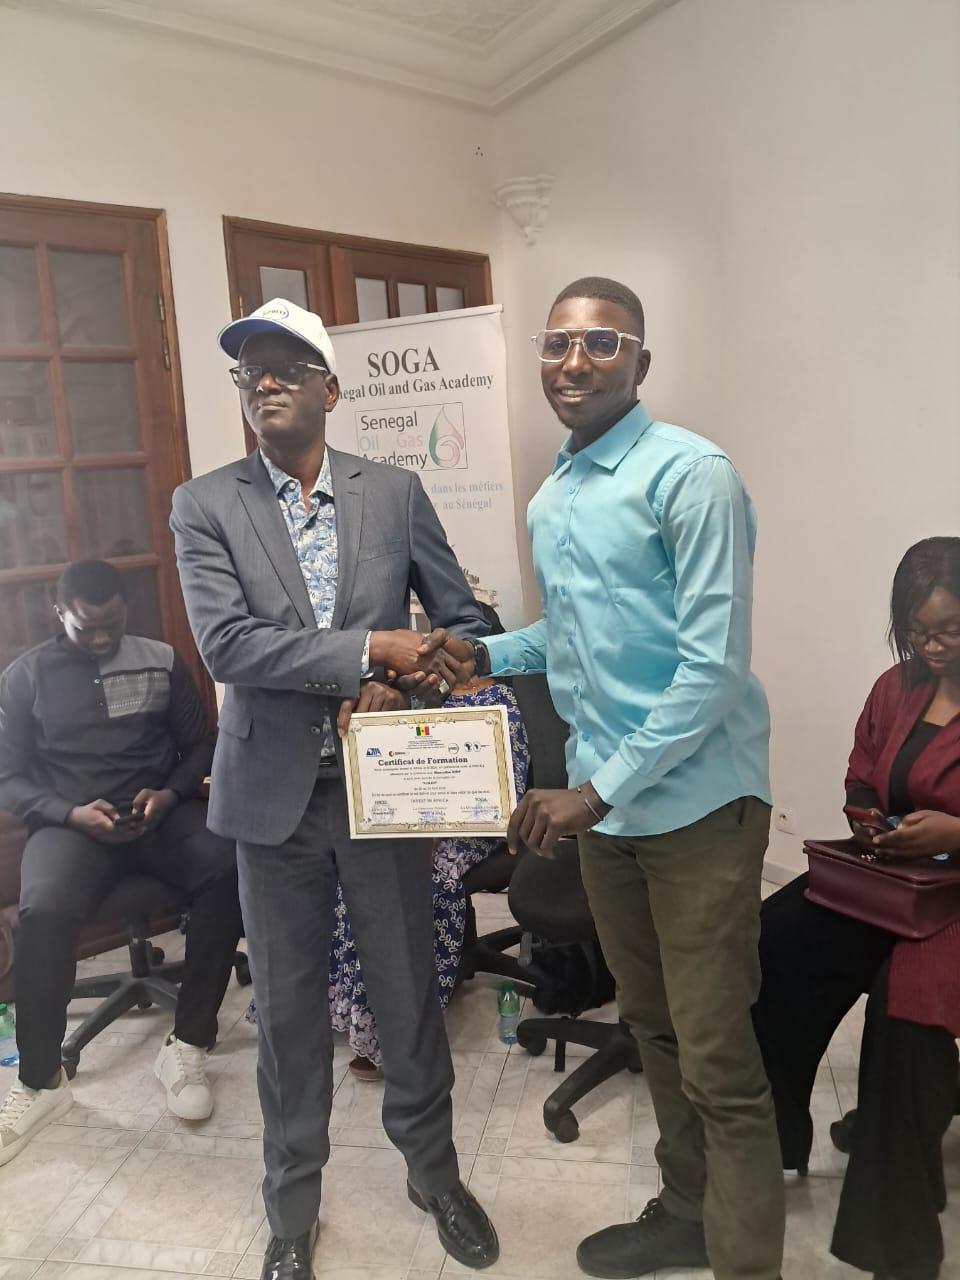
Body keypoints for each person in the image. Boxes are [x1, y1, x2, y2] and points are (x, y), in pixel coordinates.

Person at [429, 277, 784, 1279]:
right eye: (556, 343)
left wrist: (591, 792)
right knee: (652, 1024)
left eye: (601, 342)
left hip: (700, 806)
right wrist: (485, 653)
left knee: (716, 1053)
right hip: (613, 815)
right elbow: (571, 635)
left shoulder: (692, 476)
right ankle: (687, 1210)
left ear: (640, 362)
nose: (574, 361)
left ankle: (748, 1262)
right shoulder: (556, 495)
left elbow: (712, 668)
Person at [169, 299, 499, 1280]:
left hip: (381, 789)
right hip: (271, 799)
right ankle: (291, 1209)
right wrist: (366, 650)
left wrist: (408, 675)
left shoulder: (392, 492)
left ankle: (435, 1175)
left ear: (331, 388)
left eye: (285, 365)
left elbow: (466, 620)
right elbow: (229, 646)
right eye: (248, 371)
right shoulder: (205, 504)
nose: (264, 381)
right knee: (287, 1016)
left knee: (408, 994)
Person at [753, 537, 960, 1280]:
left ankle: (899, 1250)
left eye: (949, 630)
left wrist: (956, 834)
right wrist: (869, 815)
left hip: (953, 905)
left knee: (903, 1018)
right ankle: (776, 1135)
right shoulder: (896, 687)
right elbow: (862, 769)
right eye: (917, 631)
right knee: (772, 941)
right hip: (894, 881)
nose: (931, 647)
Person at [0, 559, 242, 1165]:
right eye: (88, 628)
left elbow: (200, 743)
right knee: (43, 910)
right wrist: (67, 812)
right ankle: (40, 1081)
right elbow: (8, 776)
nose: (103, 638)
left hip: (154, 814)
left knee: (227, 865)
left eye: (113, 623)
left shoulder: (159, 659)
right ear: (60, 613)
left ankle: (187, 1044)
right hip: (74, 823)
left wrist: (170, 794)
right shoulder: (26, 677)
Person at [332, 659, 530, 1079]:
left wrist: (436, 832)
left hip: (474, 826)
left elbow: (507, 787)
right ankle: (348, 1008)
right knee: (359, 874)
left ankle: (390, 1033)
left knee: (419, 885)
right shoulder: (416, 697)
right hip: (409, 818)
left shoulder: (500, 700)